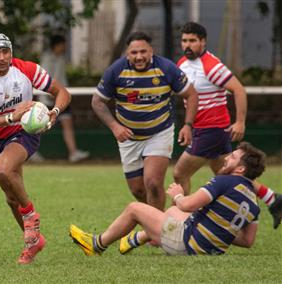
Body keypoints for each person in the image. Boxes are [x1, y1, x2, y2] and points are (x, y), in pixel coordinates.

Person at [0, 33, 71, 264]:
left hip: (25, 132)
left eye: (6, 52)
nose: (2, 58)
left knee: (4, 169)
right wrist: (10, 117)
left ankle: (31, 216)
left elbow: (62, 93)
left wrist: (54, 112)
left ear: (11, 52)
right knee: (11, 198)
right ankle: (34, 243)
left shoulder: (26, 69)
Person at [173, 22, 282, 229]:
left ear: (203, 42)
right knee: (231, 177)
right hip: (204, 131)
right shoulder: (182, 64)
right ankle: (272, 199)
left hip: (212, 130)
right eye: (184, 40)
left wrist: (240, 122)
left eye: (192, 41)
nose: (187, 45)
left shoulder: (212, 66)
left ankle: (180, 222)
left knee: (180, 174)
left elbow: (239, 90)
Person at [70, 142, 265, 256]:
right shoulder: (254, 203)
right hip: (209, 250)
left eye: (232, 158)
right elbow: (248, 241)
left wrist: (178, 194)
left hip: (187, 244)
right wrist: (221, 233)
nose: (226, 159)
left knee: (134, 208)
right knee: (173, 212)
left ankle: (96, 244)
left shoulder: (225, 181)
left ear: (241, 169)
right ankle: (135, 239)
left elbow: (189, 204)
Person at [92, 31, 198, 210]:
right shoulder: (116, 70)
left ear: (151, 51)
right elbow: (97, 102)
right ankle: (156, 222)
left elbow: (192, 94)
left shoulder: (166, 68)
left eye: (143, 52)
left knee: (153, 184)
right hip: (129, 138)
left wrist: (188, 125)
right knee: (138, 190)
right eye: (134, 53)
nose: (139, 56)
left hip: (159, 132)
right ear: (128, 53)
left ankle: (158, 232)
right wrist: (115, 126)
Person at [35, 34, 90, 163]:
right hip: (47, 100)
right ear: (56, 45)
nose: (64, 47)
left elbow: (61, 80)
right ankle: (30, 150)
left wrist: (63, 96)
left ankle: (73, 152)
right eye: (62, 45)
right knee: (39, 125)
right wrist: (53, 95)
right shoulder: (47, 59)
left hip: (60, 99)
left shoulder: (61, 58)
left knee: (67, 123)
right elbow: (45, 81)